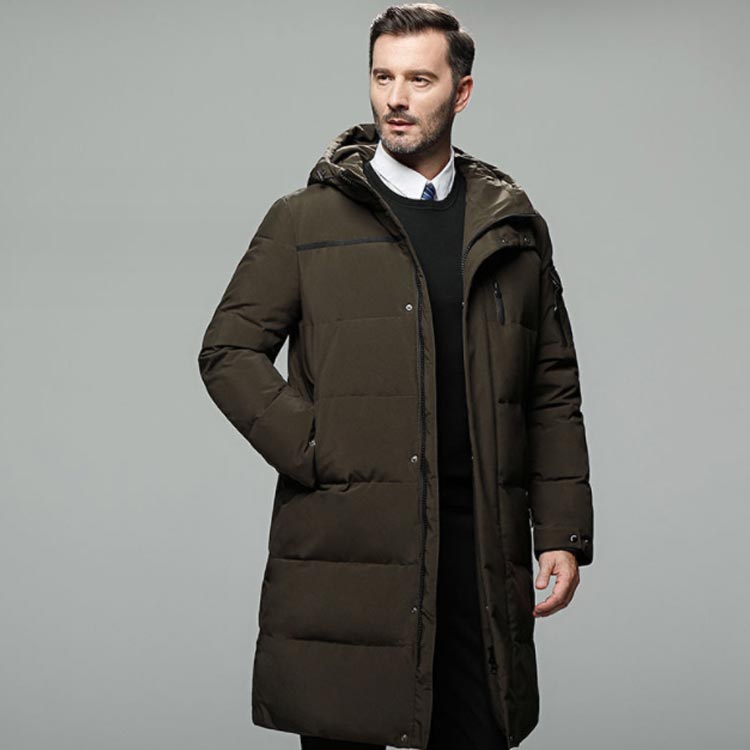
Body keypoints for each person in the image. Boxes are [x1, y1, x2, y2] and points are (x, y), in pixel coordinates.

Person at [197, 4, 594, 749]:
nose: (396, 98)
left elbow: (549, 386)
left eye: (419, 79)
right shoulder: (304, 220)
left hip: (478, 545)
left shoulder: (510, 228)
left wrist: (562, 530)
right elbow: (228, 351)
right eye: (383, 77)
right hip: (350, 544)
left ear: (462, 92)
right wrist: (318, 448)